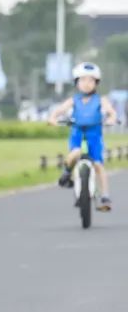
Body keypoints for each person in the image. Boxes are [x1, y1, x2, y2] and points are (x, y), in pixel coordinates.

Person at [48, 62, 117, 210]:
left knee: (98, 164)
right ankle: (66, 173)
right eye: (83, 80)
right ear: (77, 82)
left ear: (96, 83)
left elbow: (111, 112)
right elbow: (59, 110)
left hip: (94, 136)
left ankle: (105, 196)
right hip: (77, 134)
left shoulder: (100, 100)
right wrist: (53, 118)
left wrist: (111, 118)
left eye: (91, 80)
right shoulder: (74, 100)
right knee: (75, 153)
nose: (87, 84)